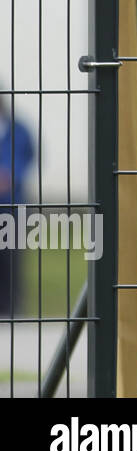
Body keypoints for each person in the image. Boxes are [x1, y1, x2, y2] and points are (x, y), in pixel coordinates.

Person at [0, 91, 36, 317]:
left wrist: (11, 175)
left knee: (11, 257)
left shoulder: (18, 129)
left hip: (11, 204)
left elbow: (29, 156)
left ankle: (11, 307)